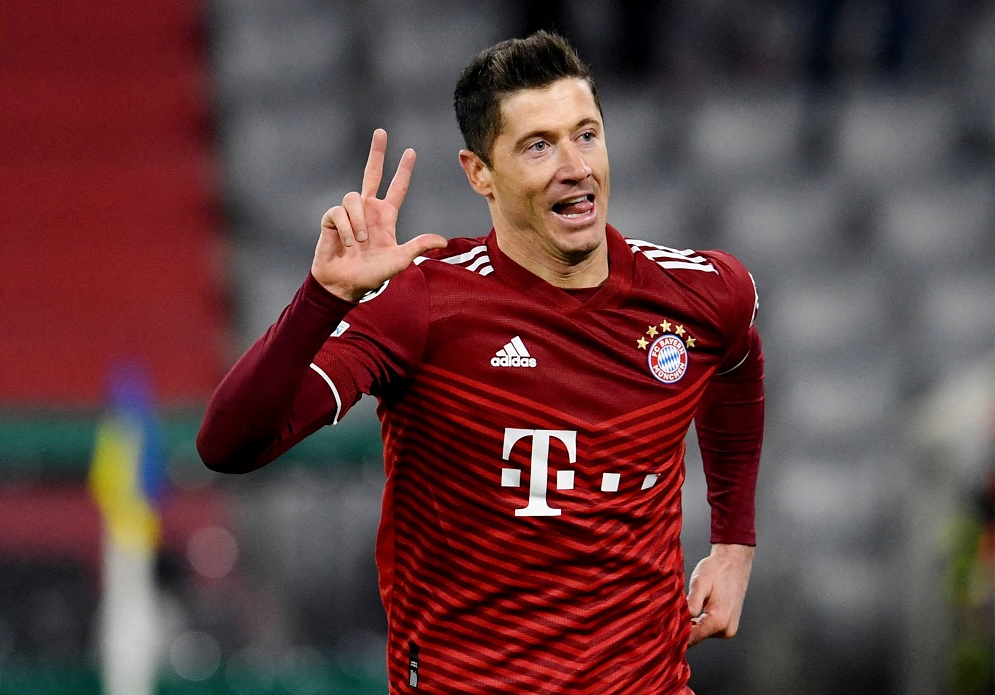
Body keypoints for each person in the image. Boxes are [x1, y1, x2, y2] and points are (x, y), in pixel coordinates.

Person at [198, 31, 764, 695]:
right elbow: (228, 445)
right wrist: (322, 299)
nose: (575, 165)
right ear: (479, 173)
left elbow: (737, 367)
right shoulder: (423, 307)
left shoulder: (701, 294)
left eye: (586, 134)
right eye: (539, 145)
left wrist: (733, 542)